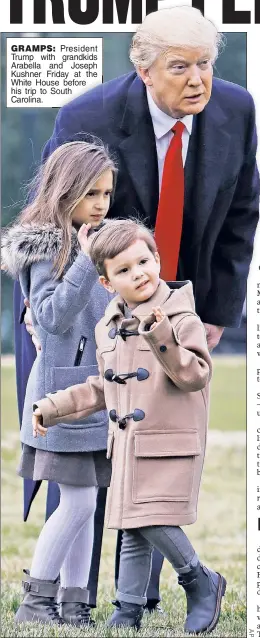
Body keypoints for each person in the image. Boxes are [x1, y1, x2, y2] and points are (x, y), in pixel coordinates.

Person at [14, 4, 260, 610]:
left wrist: (215, 315)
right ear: (144, 68)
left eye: (206, 63)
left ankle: (133, 601)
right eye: (181, 66)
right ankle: (70, 599)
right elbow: (55, 216)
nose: (198, 79)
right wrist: (42, 307)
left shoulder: (235, 108)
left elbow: (240, 218)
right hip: (86, 314)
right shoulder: (87, 115)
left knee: (151, 458)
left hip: (177, 313)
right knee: (83, 468)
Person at [33, 218, 226, 635]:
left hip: (170, 442)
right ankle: (128, 608)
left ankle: (200, 580)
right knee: (131, 525)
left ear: (157, 259)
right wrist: (53, 406)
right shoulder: (110, 326)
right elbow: (103, 387)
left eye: (143, 261)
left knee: (150, 517)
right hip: (129, 443)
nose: (138, 272)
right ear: (106, 283)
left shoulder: (179, 314)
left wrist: (162, 337)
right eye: (123, 270)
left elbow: (195, 375)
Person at [2, 140, 117, 626]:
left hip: (94, 395)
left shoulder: (93, 238)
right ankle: (35, 602)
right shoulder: (46, 245)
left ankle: (73, 606)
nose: (100, 204)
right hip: (60, 397)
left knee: (87, 505)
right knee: (79, 501)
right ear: (63, 189)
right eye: (90, 193)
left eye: (107, 194)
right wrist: (89, 263)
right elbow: (49, 317)